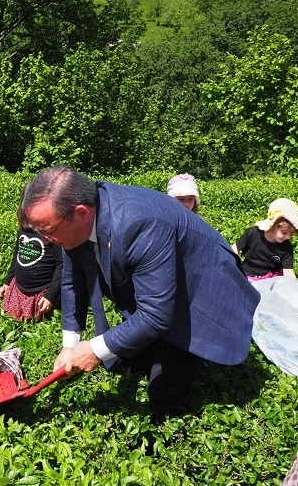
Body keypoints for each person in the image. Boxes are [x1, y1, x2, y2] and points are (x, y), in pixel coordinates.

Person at [18, 165, 260, 422]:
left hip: (200, 289)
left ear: (81, 213)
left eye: (48, 230)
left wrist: (94, 350)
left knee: (163, 396)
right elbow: (71, 281)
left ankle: (166, 412)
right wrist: (70, 346)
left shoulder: (139, 223)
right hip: (160, 289)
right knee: (133, 357)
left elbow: (156, 315)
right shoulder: (79, 220)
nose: (45, 239)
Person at [0, 219, 63, 321]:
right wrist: (7, 281)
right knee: (9, 316)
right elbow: (16, 256)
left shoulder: (52, 232)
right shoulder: (25, 229)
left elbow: (61, 265)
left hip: (42, 290)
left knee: (37, 318)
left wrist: (50, 296)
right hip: (19, 287)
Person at [232, 198, 298, 281]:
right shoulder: (253, 233)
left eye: (292, 233)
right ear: (273, 226)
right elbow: (234, 249)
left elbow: (288, 272)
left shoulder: (286, 246)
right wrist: (233, 267)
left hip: (273, 278)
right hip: (248, 274)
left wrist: (293, 284)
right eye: (284, 232)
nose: (288, 237)